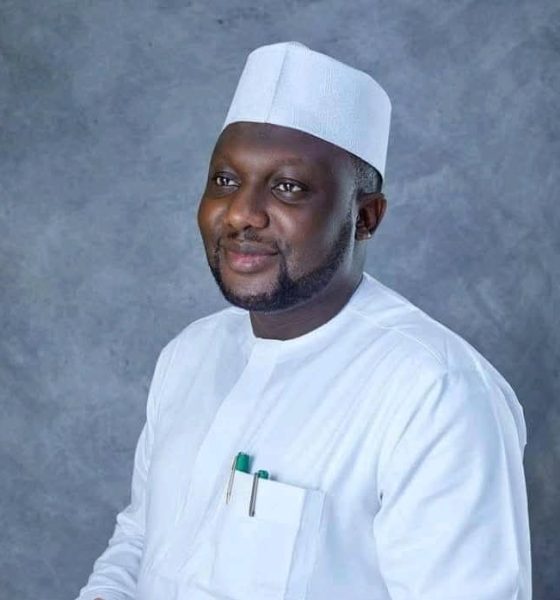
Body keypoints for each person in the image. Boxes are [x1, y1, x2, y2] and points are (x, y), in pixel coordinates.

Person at [76, 41, 531, 600]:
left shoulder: (436, 393)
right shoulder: (189, 355)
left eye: (288, 187)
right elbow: (140, 542)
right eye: (225, 180)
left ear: (365, 217)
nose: (241, 214)